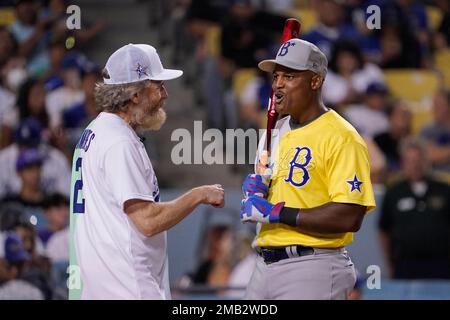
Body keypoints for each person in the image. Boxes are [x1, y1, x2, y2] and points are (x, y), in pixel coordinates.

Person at [69, 43, 225, 300]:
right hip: (126, 286)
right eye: (158, 86)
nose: (165, 95)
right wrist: (200, 194)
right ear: (135, 95)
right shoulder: (119, 142)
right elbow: (148, 221)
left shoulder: (95, 131)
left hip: (100, 287)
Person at [239, 38, 376, 299]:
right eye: (276, 75)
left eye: (289, 76)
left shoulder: (341, 136)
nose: (278, 83)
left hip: (313, 264)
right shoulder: (276, 130)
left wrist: (277, 212)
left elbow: (349, 215)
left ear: (315, 81)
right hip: (263, 264)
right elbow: (272, 196)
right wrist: (259, 191)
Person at [379, 138, 450, 279]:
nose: (415, 165)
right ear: (403, 163)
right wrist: (389, 263)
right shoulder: (394, 193)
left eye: (419, 159)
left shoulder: (444, 190)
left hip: (442, 265)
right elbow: (384, 230)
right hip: (405, 265)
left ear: (427, 161)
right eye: (410, 160)